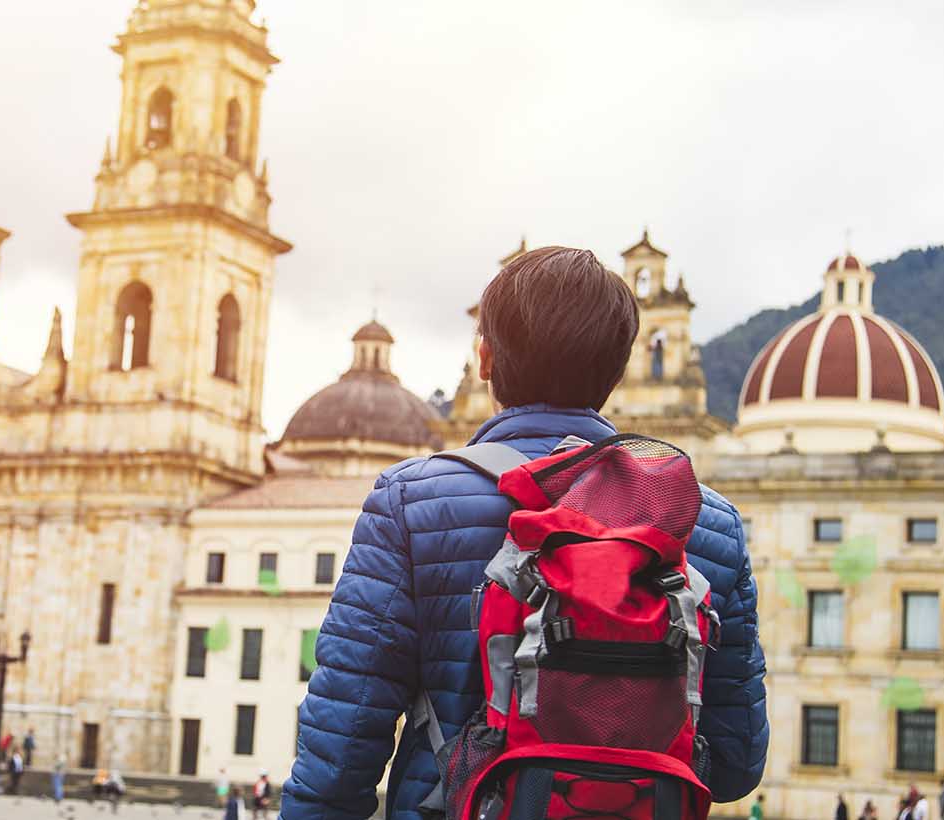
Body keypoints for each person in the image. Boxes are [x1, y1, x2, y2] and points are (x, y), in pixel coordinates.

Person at [283, 247, 768, 818]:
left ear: (485, 358)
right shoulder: (709, 523)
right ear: (618, 368)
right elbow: (737, 763)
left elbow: (339, 749)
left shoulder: (409, 502)